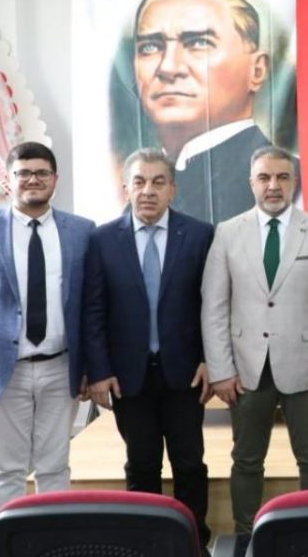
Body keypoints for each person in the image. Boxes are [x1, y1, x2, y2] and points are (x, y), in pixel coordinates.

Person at [201, 146, 308, 552]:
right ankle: (246, 537)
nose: (273, 185)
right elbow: (214, 307)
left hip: (307, 370)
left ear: (294, 182)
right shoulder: (227, 233)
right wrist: (221, 370)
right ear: (251, 182)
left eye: (282, 177)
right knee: (246, 459)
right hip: (245, 370)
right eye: (264, 177)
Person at [0, 141, 95, 525]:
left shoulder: (81, 231)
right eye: (23, 173)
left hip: (61, 368)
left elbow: (91, 308)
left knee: (55, 466)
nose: (33, 180)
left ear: (55, 179)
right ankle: (2, 546)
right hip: (0, 370)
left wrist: (91, 368)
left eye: (42, 172)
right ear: (8, 180)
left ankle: (54, 546)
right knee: (7, 469)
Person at [82, 148, 214, 551]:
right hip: (128, 377)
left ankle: (194, 542)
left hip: (185, 373)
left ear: (172, 189)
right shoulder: (102, 240)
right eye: (139, 182)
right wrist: (99, 371)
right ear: (126, 188)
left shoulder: (200, 235)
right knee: (141, 465)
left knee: (189, 463)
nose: (148, 191)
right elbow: (93, 310)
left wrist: (211, 360)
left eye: (158, 182)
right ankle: (146, 544)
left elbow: (213, 305)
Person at [132, 0, 296, 223]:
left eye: (199, 43)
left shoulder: (290, 183)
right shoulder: (138, 191)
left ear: (257, 70)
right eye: (150, 47)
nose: (168, 67)